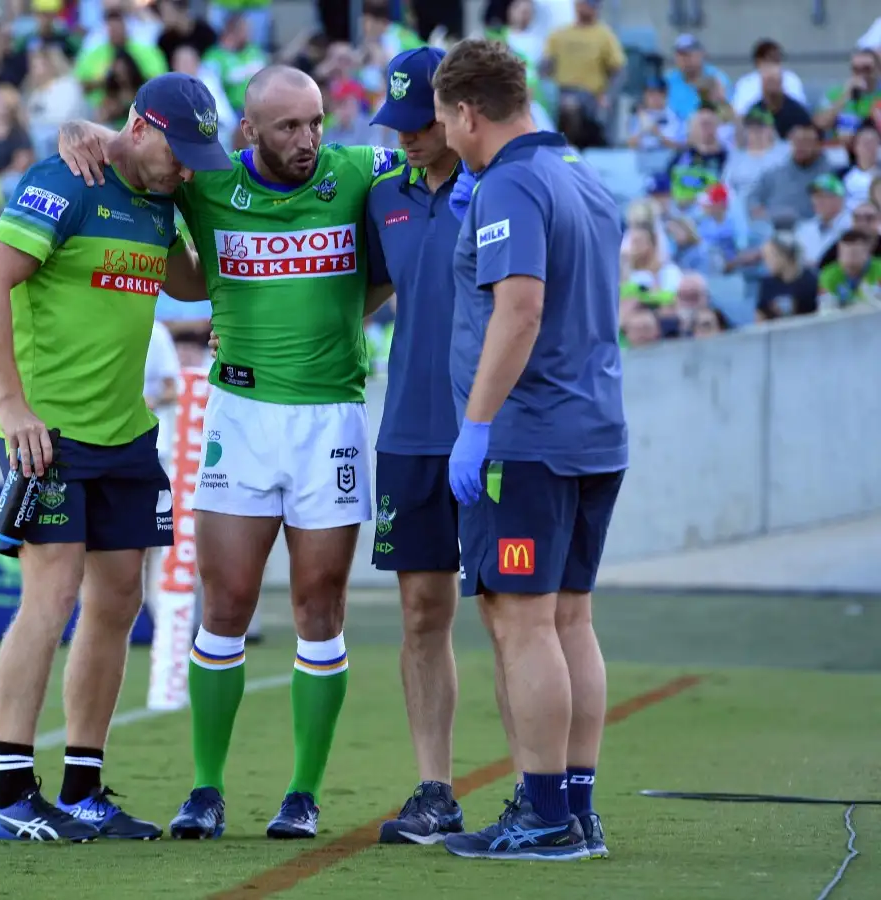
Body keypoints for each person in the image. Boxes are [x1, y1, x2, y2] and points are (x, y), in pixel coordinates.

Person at [57, 65, 400, 840]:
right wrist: (77, 131)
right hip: (239, 415)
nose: (308, 139)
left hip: (330, 417)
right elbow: (128, 152)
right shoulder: (204, 182)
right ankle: (205, 790)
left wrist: (355, 299)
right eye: (288, 127)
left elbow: (432, 155)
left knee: (320, 606)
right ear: (249, 132)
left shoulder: (356, 170)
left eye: (315, 122)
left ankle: (302, 794)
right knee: (228, 605)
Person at [0, 72, 229, 843]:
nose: (186, 168)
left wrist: (203, 189)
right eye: (179, 153)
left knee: (118, 604)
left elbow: (194, 278)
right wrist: (11, 406)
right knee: (47, 603)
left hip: (126, 435)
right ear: (142, 128)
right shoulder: (65, 179)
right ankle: (13, 796)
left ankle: (83, 787)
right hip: (48, 435)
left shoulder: (159, 198)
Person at [433, 38, 628, 861]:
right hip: (594, 429)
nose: (442, 134)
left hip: (531, 437)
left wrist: (476, 425)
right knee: (571, 619)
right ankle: (575, 808)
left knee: (522, 624)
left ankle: (544, 813)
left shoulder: (512, 179)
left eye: (444, 119)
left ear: (468, 112)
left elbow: (520, 309)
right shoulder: (582, 174)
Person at [363, 46, 466, 845]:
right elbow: (359, 289)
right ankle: (436, 789)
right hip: (407, 432)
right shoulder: (384, 194)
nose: (407, 139)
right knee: (421, 613)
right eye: (398, 125)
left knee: (517, 613)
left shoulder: (503, 187)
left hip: (497, 432)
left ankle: (553, 789)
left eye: (421, 124)